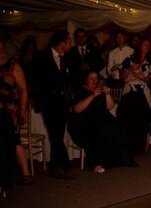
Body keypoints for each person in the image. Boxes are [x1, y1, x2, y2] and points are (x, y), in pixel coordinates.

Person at [68, 72, 136, 173]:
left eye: (96, 79)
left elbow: (110, 106)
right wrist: (92, 96)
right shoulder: (80, 90)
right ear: (86, 79)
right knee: (100, 130)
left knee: (119, 126)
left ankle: (117, 158)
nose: (94, 81)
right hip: (83, 121)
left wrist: (107, 94)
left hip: (101, 117)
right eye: (91, 78)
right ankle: (96, 162)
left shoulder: (99, 90)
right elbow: (77, 109)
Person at [31, 30, 74, 179]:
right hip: (49, 101)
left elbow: (68, 79)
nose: (70, 44)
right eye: (69, 41)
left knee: (58, 135)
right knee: (55, 134)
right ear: (62, 43)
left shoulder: (66, 58)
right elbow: (36, 79)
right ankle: (65, 165)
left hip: (63, 102)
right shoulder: (42, 57)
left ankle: (54, 167)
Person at [0, 38, 32, 184]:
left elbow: (23, 89)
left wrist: (22, 111)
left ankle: (25, 173)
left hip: (9, 109)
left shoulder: (12, 66)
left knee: (13, 139)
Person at [118, 39, 151, 155]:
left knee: (143, 118)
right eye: (145, 44)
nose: (147, 47)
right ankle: (128, 144)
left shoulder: (149, 63)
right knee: (129, 117)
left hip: (142, 92)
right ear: (139, 46)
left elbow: (150, 80)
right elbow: (121, 76)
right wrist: (130, 69)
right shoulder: (130, 59)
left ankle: (140, 146)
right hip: (130, 91)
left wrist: (142, 77)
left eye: (148, 45)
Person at [64, 27, 104, 91]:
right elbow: (67, 67)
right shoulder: (70, 51)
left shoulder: (94, 50)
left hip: (91, 85)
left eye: (83, 36)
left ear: (86, 37)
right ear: (75, 38)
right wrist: (78, 67)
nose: (81, 38)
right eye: (79, 36)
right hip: (76, 84)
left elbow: (101, 64)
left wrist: (89, 66)